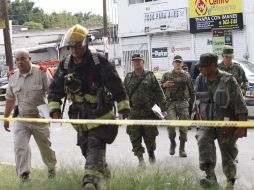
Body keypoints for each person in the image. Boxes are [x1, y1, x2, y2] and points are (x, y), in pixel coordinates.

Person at [47, 24, 130, 190]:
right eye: (71, 47)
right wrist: (55, 109)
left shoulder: (99, 62)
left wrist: (124, 107)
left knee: (95, 145)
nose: (75, 50)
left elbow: (116, 85)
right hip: (80, 118)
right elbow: (55, 89)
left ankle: (90, 182)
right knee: (87, 150)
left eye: (78, 46)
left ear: (86, 44)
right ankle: (105, 175)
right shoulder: (65, 65)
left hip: (100, 115)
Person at [195, 53, 248, 189]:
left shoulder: (228, 80)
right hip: (208, 122)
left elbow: (240, 106)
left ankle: (230, 182)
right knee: (202, 139)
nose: (200, 70)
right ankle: (210, 177)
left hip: (226, 123)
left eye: (203, 67)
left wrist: (241, 128)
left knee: (227, 153)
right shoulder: (200, 80)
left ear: (212, 66)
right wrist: (198, 120)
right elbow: (197, 103)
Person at [3, 49, 57, 182]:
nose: (20, 62)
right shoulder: (13, 77)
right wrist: (6, 118)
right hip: (22, 119)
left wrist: (53, 113)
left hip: (39, 118)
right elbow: (10, 99)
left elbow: (52, 95)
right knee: (20, 147)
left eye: (23, 58)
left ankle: (51, 169)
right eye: (17, 60)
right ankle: (24, 176)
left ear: (30, 58)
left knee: (46, 148)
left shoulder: (41, 73)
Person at [124, 53, 167, 166]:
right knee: (134, 137)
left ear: (143, 62)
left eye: (139, 61)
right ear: (132, 63)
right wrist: (123, 109)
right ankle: (140, 160)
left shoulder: (150, 76)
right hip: (134, 113)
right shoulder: (128, 77)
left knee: (150, 137)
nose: (137, 63)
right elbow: (124, 95)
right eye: (135, 61)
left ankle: (151, 154)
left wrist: (163, 108)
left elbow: (159, 92)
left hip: (149, 113)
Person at [160, 55, 195, 157]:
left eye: (179, 62)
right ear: (173, 64)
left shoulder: (186, 76)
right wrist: (164, 85)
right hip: (170, 103)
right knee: (171, 126)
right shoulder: (167, 75)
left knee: (183, 127)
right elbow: (158, 88)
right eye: (176, 62)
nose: (178, 64)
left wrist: (195, 105)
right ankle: (172, 143)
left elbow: (192, 91)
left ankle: (182, 148)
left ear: (182, 64)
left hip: (183, 103)